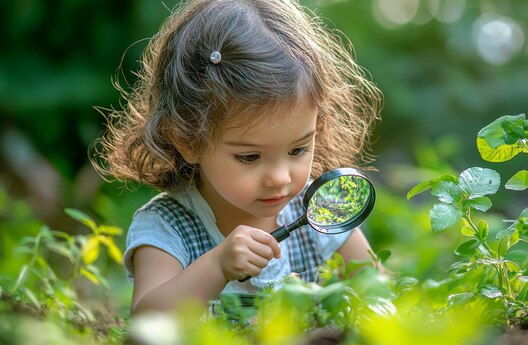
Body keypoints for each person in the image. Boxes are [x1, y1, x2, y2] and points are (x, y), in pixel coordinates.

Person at [93, 0, 382, 315]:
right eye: (250, 157)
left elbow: (380, 292)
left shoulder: (320, 212)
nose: (281, 177)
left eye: (298, 150)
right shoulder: (168, 226)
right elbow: (147, 323)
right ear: (187, 140)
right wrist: (217, 266)